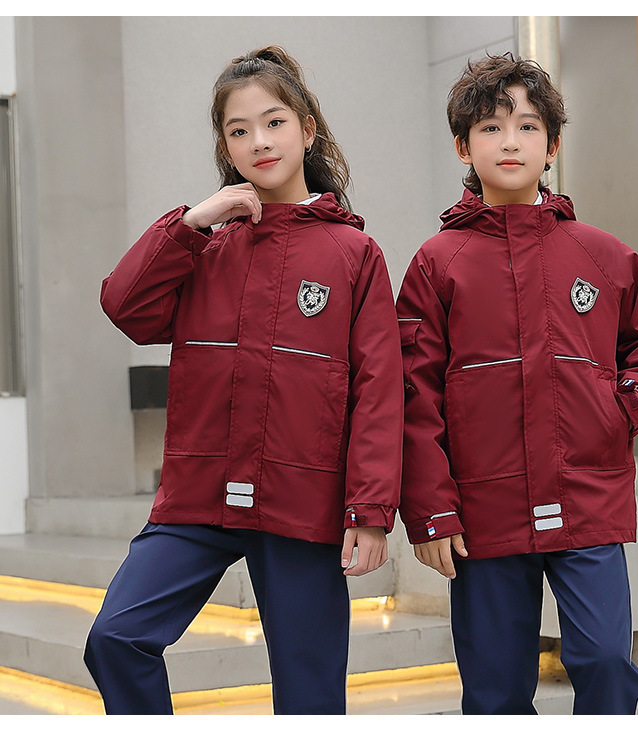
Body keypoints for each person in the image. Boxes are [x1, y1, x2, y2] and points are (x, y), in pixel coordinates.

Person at [84, 45, 403, 715]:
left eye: (274, 122)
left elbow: (378, 389)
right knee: (116, 638)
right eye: (239, 130)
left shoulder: (354, 253)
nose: (259, 141)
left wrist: (370, 511)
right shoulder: (205, 247)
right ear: (225, 146)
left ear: (307, 130)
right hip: (199, 495)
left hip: (301, 499)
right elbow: (125, 306)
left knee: (311, 696)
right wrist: (190, 223)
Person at [396, 52, 638, 714]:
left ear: (552, 146)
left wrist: (620, 409)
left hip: (587, 495)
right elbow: (414, 394)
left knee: (606, 660)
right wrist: (431, 509)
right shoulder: (437, 264)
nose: (510, 142)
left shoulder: (602, 254)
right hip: (483, 508)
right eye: (491, 127)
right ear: (463, 146)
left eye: (527, 127)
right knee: (494, 689)